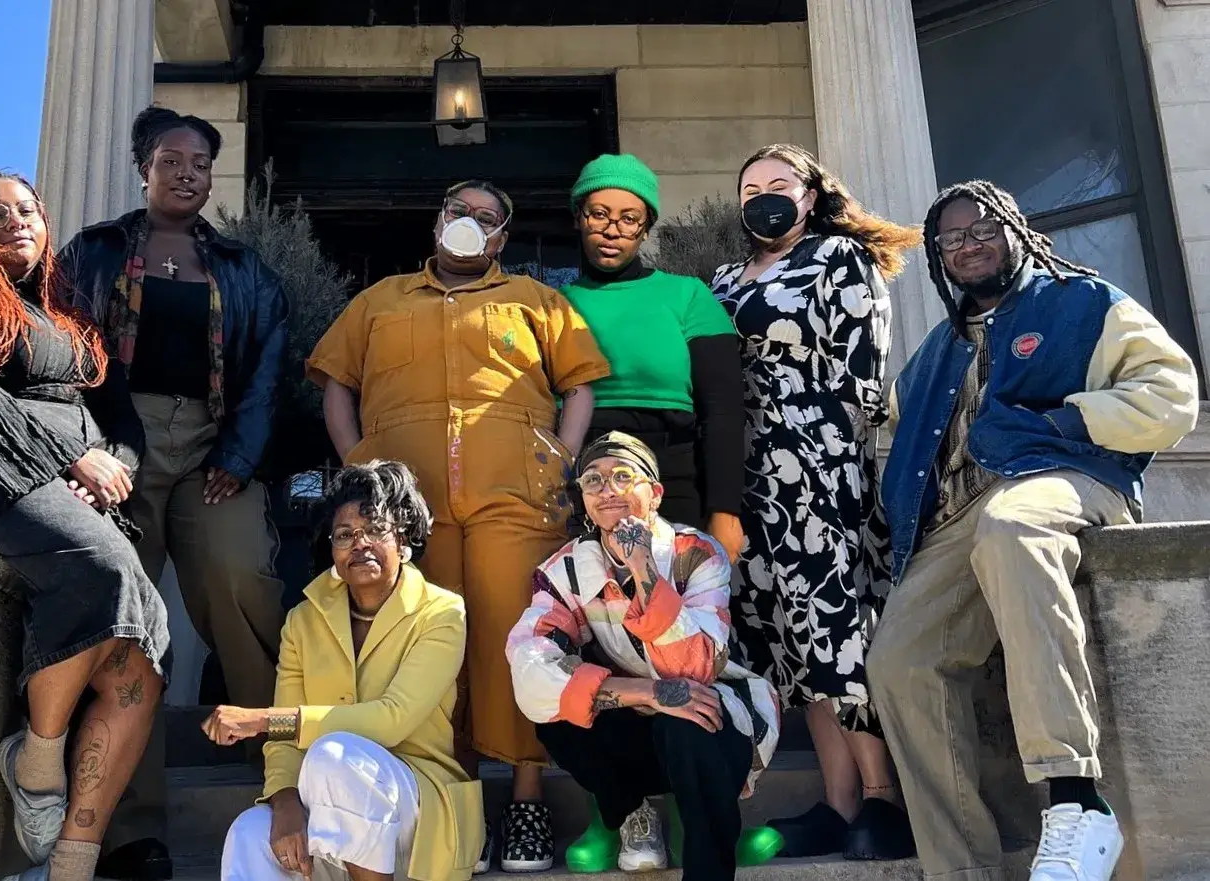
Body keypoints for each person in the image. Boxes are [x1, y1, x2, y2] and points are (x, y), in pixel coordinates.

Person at [867, 180, 1199, 881]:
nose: (968, 245)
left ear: (1016, 231)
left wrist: (1063, 422)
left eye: (982, 229)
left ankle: (1077, 800)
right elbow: (887, 417)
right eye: (951, 239)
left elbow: (1172, 393)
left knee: (1013, 525)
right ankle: (961, 869)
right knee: (897, 658)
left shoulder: (1084, 302)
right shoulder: (938, 349)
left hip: (1066, 478)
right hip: (964, 514)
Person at [309, 180, 610, 873]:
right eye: (458, 211)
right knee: (429, 648)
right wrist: (357, 466)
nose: (469, 223)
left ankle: (528, 801)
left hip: (517, 501)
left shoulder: (537, 300)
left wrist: (563, 457)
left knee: (523, 639)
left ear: (502, 238)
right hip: (408, 510)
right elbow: (336, 385)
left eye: (486, 217)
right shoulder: (380, 300)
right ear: (437, 221)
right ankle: (454, 804)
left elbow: (581, 384)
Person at [0, 171, 170, 881]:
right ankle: (36, 759)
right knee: (105, 568)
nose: (16, 221)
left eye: (27, 210)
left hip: (66, 488)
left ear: (46, 225)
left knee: (143, 657)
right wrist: (67, 455)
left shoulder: (77, 328)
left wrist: (113, 465)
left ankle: (68, 866)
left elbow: (124, 424)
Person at [60, 106, 292, 880]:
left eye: (200, 164)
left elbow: (267, 366)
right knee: (123, 619)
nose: (187, 174)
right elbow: (61, 350)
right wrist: (83, 447)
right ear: (144, 168)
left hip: (212, 448)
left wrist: (241, 452)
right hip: (116, 444)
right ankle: (132, 827)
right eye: (171, 160)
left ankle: (286, 775)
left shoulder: (244, 269)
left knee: (240, 578)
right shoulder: (93, 252)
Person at [709, 143, 920, 859]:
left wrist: (828, 460)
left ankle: (883, 797)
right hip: (745, 476)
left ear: (811, 194)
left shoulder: (838, 259)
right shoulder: (723, 277)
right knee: (790, 641)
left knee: (837, 627)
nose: (763, 196)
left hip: (815, 468)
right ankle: (838, 802)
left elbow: (865, 376)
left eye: (779, 183)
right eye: (750, 188)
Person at [506, 432, 780, 881]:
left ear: (654, 493)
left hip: (710, 722)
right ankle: (634, 813)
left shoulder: (697, 554)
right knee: (557, 716)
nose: (607, 490)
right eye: (593, 480)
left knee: (689, 721)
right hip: (639, 715)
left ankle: (707, 860)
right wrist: (648, 693)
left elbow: (692, 667)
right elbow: (530, 670)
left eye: (622, 476)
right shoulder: (565, 569)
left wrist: (643, 568)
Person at [204, 460, 483, 881]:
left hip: (418, 811)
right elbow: (283, 745)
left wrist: (262, 720)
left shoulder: (442, 613)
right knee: (249, 832)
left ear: (403, 538)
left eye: (376, 530)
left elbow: (392, 720)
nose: (360, 544)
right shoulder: (303, 620)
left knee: (333, 756)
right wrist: (284, 801)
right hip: (330, 804)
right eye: (345, 535)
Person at [561, 153, 744, 557]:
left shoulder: (688, 296)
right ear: (578, 218)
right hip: (579, 481)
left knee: (671, 595)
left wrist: (725, 510)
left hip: (672, 480)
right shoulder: (551, 305)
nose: (613, 230)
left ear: (646, 228)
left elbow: (723, 410)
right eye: (599, 214)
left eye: (629, 219)